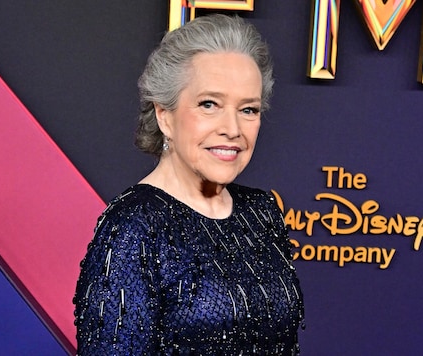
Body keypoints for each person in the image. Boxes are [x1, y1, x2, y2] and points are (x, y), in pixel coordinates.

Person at [73, 14, 304, 355]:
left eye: (249, 109)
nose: (232, 128)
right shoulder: (135, 226)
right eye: (209, 104)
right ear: (165, 115)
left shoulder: (260, 212)